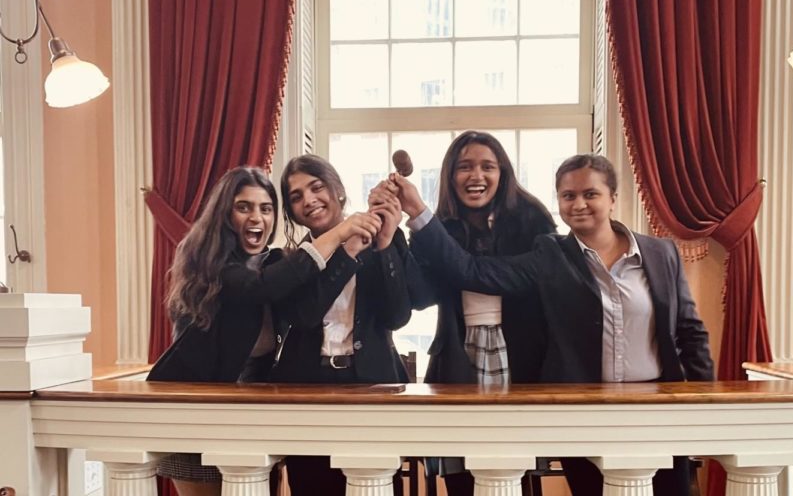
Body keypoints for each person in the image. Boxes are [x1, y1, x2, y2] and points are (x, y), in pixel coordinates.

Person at [393, 153, 714, 496]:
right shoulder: (550, 254)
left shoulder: (661, 253)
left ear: (612, 199)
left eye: (590, 194)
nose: (579, 204)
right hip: (582, 414)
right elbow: (472, 271)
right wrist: (419, 213)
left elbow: (690, 333)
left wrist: (700, 405)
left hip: (656, 410)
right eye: (568, 196)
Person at [147, 166, 381, 496]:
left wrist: (355, 245)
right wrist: (340, 231)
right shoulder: (210, 263)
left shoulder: (274, 262)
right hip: (197, 410)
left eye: (266, 208)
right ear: (225, 213)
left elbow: (304, 307)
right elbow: (261, 289)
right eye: (244, 207)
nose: (257, 217)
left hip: (252, 416)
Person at [369, 130, 555, 495]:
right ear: (450, 176)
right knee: (461, 478)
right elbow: (419, 296)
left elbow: (475, 273)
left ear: (503, 173)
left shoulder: (533, 221)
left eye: (488, 166)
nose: (476, 176)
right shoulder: (444, 227)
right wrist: (392, 235)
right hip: (457, 358)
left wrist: (420, 215)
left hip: (522, 359)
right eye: (464, 167)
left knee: (514, 473)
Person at [269, 154, 414, 496]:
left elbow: (398, 316)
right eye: (296, 197)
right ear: (291, 212)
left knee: (374, 485)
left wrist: (385, 243)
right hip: (306, 388)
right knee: (314, 486)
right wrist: (346, 252)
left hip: (372, 384)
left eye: (316, 187)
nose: (309, 200)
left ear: (338, 190)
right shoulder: (288, 261)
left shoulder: (383, 238)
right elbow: (304, 315)